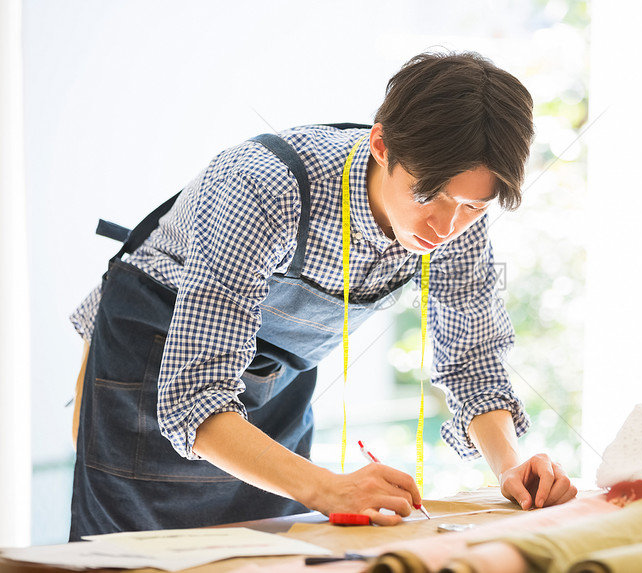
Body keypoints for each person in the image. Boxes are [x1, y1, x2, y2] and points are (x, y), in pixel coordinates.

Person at [68, 50, 578, 541]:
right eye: (429, 195)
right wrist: (325, 486)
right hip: (153, 359)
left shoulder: (457, 221)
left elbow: (472, 363)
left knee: (275, 552)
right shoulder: (264, 186)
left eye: (472, 206)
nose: (446, 226)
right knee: (133, 555)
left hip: (274, 381)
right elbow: (194, 394)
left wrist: (511, 466)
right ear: (381, 146)